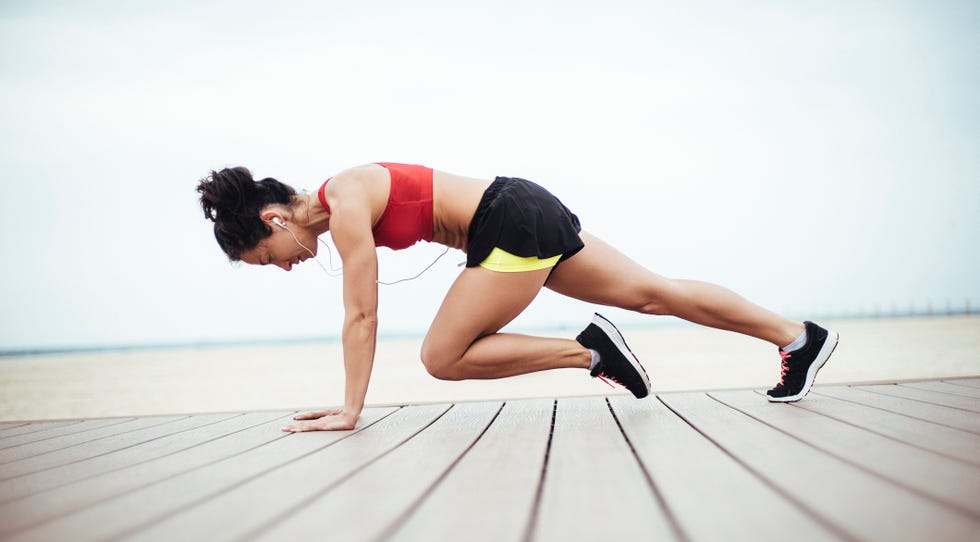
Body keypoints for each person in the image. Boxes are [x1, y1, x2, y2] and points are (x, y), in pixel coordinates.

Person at [196, 162, 838, 432]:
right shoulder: (340, 204)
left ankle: (588, 351)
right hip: (519, 211)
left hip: (508, 223)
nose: (278, 269)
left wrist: (349, 409)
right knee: (651, 293)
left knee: (441, 356)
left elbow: (362, 315)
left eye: (264, 260)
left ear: (274, 223)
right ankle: (797, 337)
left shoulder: (344, 202)